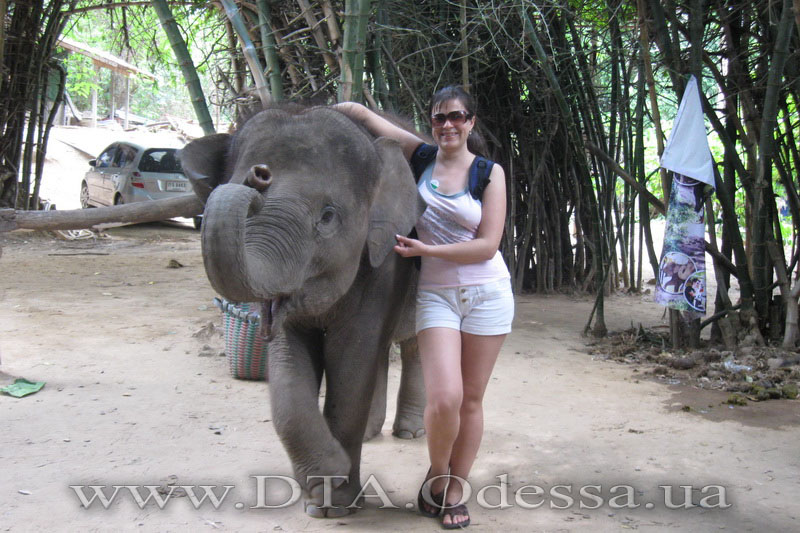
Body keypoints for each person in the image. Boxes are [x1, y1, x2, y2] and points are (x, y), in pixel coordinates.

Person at [335, 86, 514, 529]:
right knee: (444, 398)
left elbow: (488, 246)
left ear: (471, 122)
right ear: (432, 123)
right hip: (436, 297)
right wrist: (337, 110)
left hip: (488, 294)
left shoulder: (490, 174)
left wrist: (426, 252)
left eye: (457, 117)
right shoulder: (421, 158)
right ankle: (437, 473)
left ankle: (456, 488)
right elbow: (372, 120)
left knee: (470, 400)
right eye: (439, 118)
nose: (448, 125)